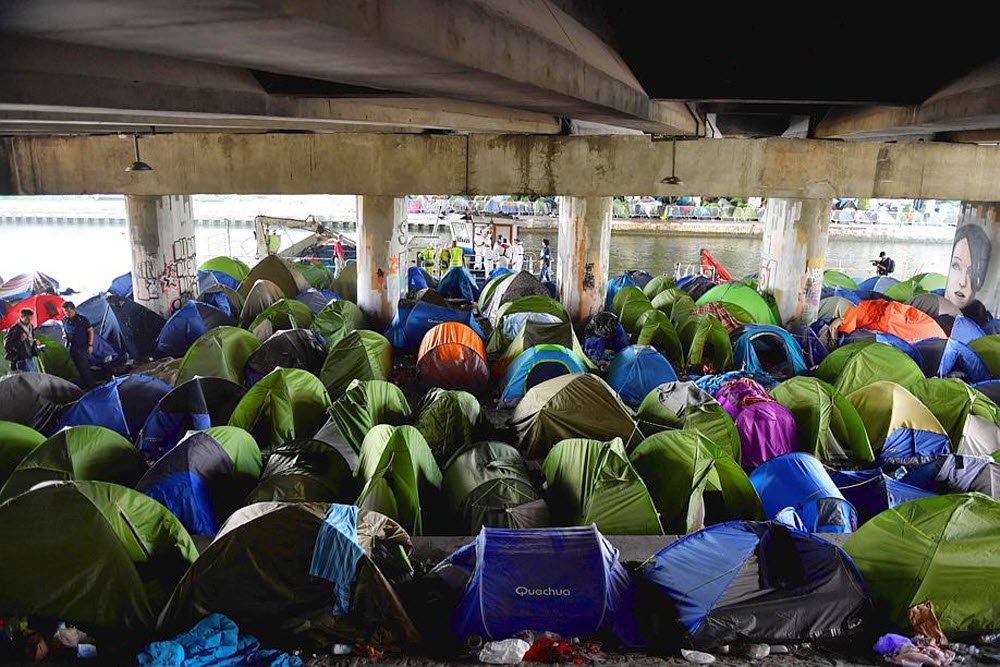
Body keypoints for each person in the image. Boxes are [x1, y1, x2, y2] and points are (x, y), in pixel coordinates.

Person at [945, 224, 993, 310]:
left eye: (973, 272)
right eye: (956, 266)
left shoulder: (986, 321)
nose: (962, 282)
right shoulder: (925, 307)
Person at [62, 301, 94, 387]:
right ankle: (84, 384)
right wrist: (65, 336)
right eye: (65, 311)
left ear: (74, 310)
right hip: (72, 347)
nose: (67, 313)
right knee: (78, 367)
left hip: (82, 347)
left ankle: (91, 385)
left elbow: (90, 331)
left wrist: (90, 345)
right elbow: (65, 330)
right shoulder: (64, 320)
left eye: (68, 311)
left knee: (84, 367)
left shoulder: (82, 319)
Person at [4, 308, 41, 373]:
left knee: (32, 376)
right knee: (26, 379)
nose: (29, 321)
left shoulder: (30, 326)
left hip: (30, 355)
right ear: (21, 317)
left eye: (31, 319)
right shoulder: (14, 329)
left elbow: (30, 340)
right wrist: (20, 340)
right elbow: (7, 346)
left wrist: (35, 342)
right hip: (20, 358)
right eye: (27, 319)